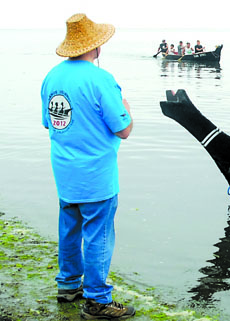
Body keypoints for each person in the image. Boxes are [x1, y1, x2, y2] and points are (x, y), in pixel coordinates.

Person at [40, 13, 135, 319]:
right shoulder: (101, 79)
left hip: (64, 172)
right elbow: (123, 129)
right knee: (99, 235)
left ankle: (68, 285)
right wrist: (128, 110)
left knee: (69, 228)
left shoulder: (51, 77)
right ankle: (97, 300)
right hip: (96, 175)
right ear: (96, 46)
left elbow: (50, 123)